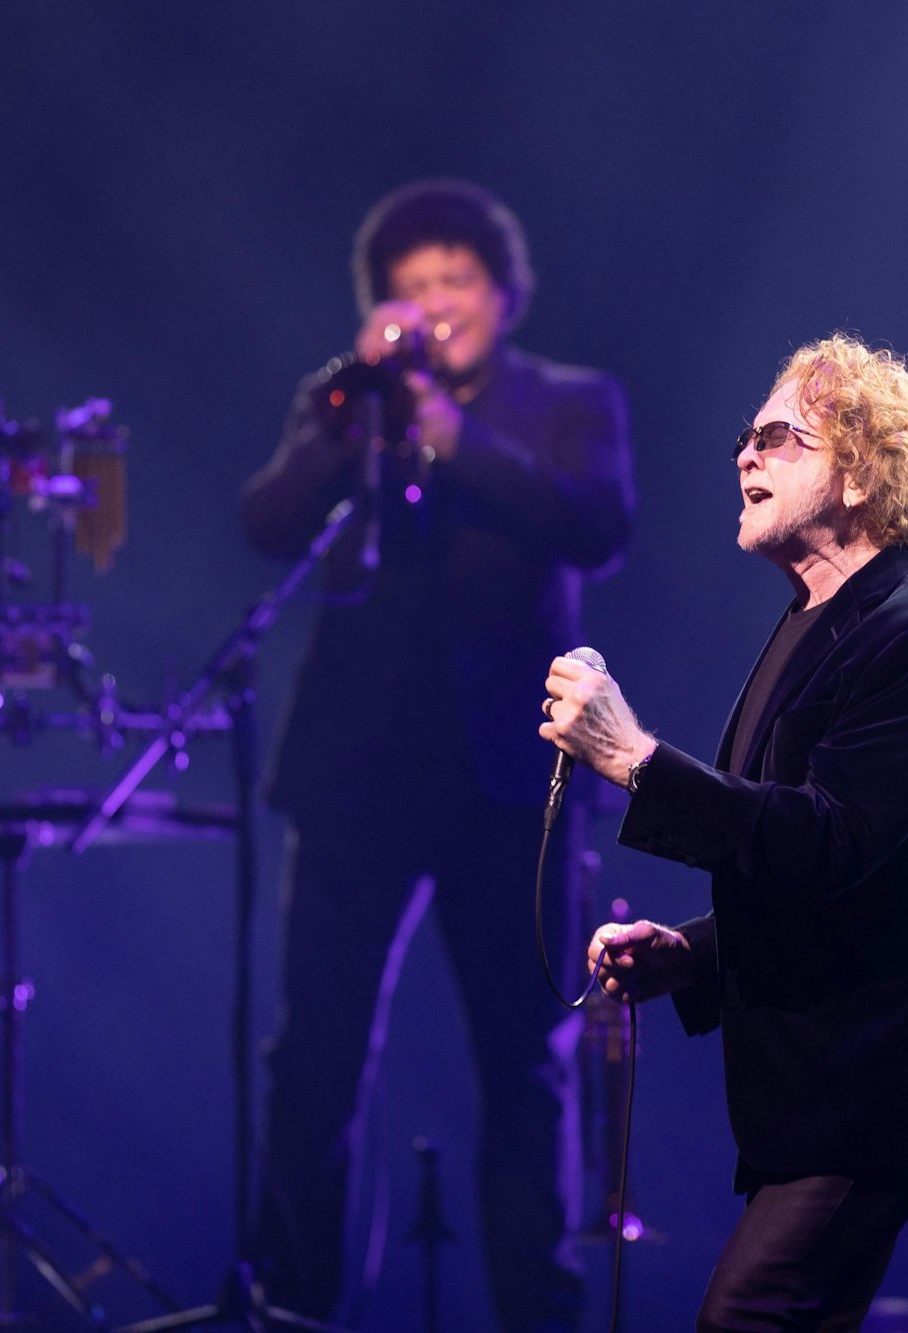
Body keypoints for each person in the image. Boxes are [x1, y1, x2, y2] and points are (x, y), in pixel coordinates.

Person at [541, 334, 908, 1332]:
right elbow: (823, 865)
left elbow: (833, 841)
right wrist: (689, 952)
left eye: (778, 437)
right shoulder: (812, 624)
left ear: (859, 475)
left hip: (888, 1064)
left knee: (753, 1317)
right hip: (828, 1070)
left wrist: (636, 759)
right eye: (746, 437)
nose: (745, 456)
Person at [240, 178, 633, 1331]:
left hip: (513, 780)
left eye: (453, 279)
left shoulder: (568, 400)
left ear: (502, 293)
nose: (433, 303)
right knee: (312, 1063)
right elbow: (266, 524)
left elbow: (598, 524)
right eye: (409, 287)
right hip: (357, 775)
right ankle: (295, 1308)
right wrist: (342, 411)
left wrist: (459, 443)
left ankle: (537, 1315)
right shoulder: (349, 403)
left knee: (524, 1067)